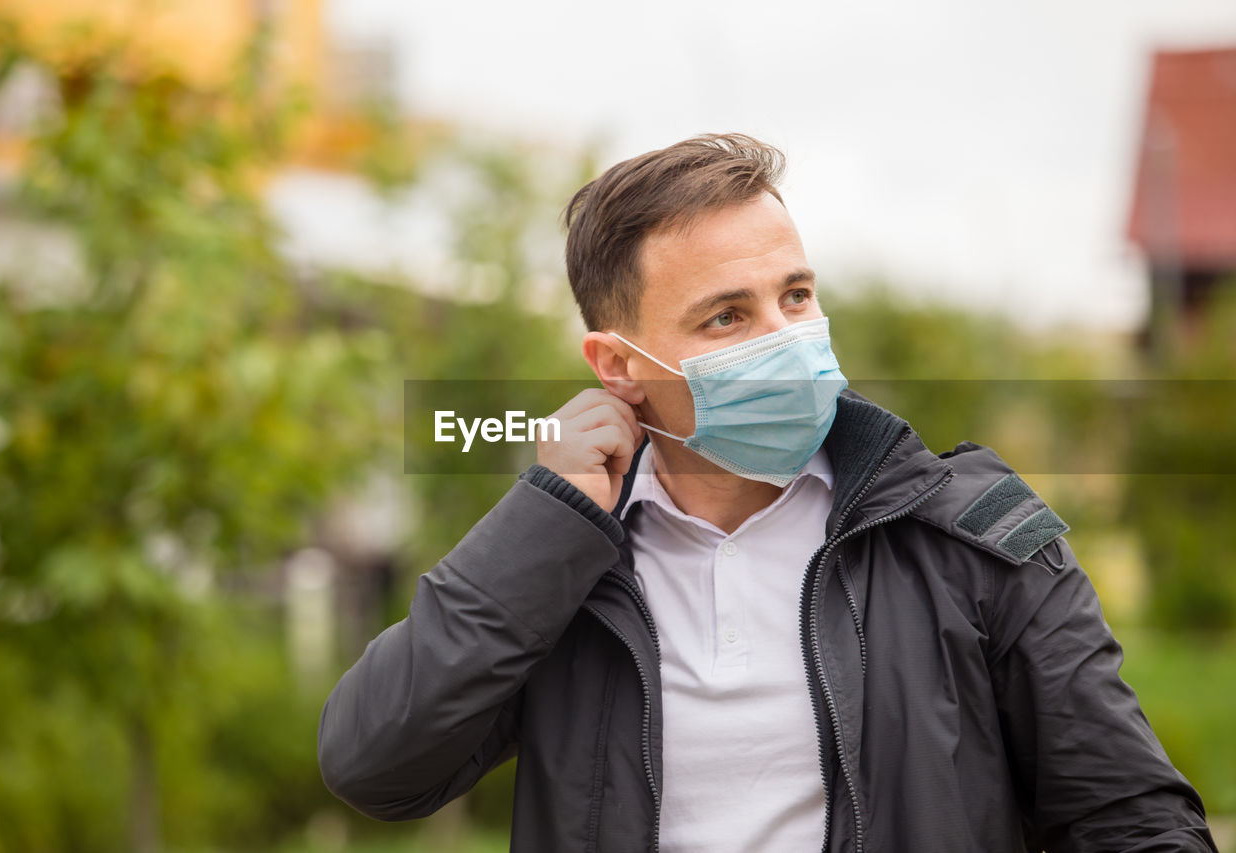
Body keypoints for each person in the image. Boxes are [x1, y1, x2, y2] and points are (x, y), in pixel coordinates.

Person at [317, 133, 1217, 852]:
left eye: (795, 296)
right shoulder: (567, 563)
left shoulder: (972, 533)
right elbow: (375, 764)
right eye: (727, 316)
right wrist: (544, 520)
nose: (785, 337)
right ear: (618, 365)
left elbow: (1132, 821)